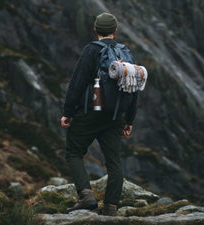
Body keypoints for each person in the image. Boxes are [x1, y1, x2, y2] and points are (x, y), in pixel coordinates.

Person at [60, 12, 138, 216]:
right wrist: (129, 119)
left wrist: (68, 112)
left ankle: (86, 196)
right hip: (116, 117)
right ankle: (111, 207)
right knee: (114, 162)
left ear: (95, 30)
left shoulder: (91, 50)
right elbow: (133, 87)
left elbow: (77, 82)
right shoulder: (125, 52)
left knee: (74, 152)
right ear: (115, 31)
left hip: (90, 113)